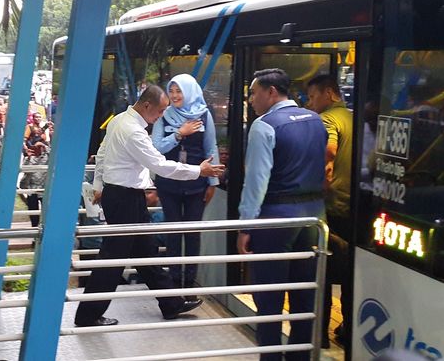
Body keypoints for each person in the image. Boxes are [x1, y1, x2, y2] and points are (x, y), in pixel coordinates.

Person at [73, 85, 224, 327]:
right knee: (113, 260)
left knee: (146, 253)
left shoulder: (119, 121)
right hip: (125, 198)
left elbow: (101, 155)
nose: (162, 115)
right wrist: (199, 170)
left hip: (122, 196)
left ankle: (171, 304)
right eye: (160, 110)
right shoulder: (133, 131)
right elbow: (160, 165)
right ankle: (87, 315)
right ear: (146, 106)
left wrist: (100, 184)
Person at [237, 68, 327, 361]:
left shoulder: (265, 126)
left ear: (271, 92)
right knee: (304, 293)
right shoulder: (316, 120)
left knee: (270, 295)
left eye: (254, 92)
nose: (251, 99)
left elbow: (256, 182)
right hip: (314, 218)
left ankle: (271, 357)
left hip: (276, 218)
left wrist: (245, 226)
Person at [151, 74, 219, 299]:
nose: (174, 96)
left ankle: (188, 284)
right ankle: (173, 284)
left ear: (189, 91)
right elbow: (157, 148)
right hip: (168, 184)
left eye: (179, 91)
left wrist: (213, 182)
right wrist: (180, 134)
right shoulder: (164, 116)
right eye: (171, 91)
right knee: (173, 232)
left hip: (196, 185)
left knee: (192, 233)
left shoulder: (204, 115)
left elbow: (211, 147)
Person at [306, 74, 353, 347]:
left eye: (313, 97)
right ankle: (347, 329)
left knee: (321, 272)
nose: (311, 104)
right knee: (348, 276)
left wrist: (320, 179)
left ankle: (319, 335)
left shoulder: (328, 119)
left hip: (331, 207)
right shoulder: (351, 117)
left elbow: (330, 150)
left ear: (330, 94)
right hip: (351, 207)